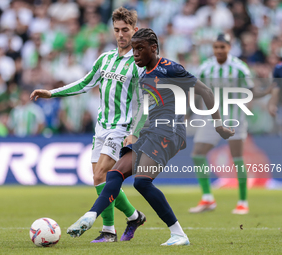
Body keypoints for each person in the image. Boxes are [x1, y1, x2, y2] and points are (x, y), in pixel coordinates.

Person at [66, 28, 234, 246]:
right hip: (150, 131)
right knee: (115, 173)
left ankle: (178, 234)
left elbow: (206, 92)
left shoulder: (170, 69)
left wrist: (219, 125)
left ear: (153, 48)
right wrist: (134, 133)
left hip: (169, 131)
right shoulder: (144, 74)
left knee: (143, 182)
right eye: (133, 49)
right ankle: (90, 216)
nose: (134, 53)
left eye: (139, 49)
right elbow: (145, 108)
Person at [30, 7, 146, 243]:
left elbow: (145, 103)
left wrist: (134, 132)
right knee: (99, 179)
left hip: (121, 129)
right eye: (117, 30)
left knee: (102, 174)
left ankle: (108, 231)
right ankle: (133, 216)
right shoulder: (105, 58)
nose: (121, 34)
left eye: (125, 30)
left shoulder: (138, 63)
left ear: (135, 30)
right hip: (101, 126)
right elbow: (84, 84)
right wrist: (51, 93)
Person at [189, 34, 271, 215]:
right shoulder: (206, 67)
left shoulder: (239, 68)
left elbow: (250, 92)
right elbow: (197, 92)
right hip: (211, 119)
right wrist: (187, 113)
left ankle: (243, 202)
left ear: (229, 47)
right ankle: (207, 199)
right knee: (197, 154)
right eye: (216, 47)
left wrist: (266, 91)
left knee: (237, 158)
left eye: (222, 47)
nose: (219, 50)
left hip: (234, 118)